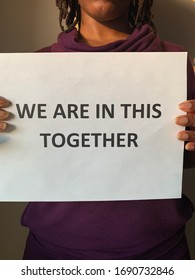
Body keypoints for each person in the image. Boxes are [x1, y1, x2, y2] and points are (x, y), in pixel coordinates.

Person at [0, 0, 195, 260]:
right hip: (52, 254)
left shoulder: (175, 63)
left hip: (158, 253)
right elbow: (24, 158)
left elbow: (182, 160)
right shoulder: (34, 69)